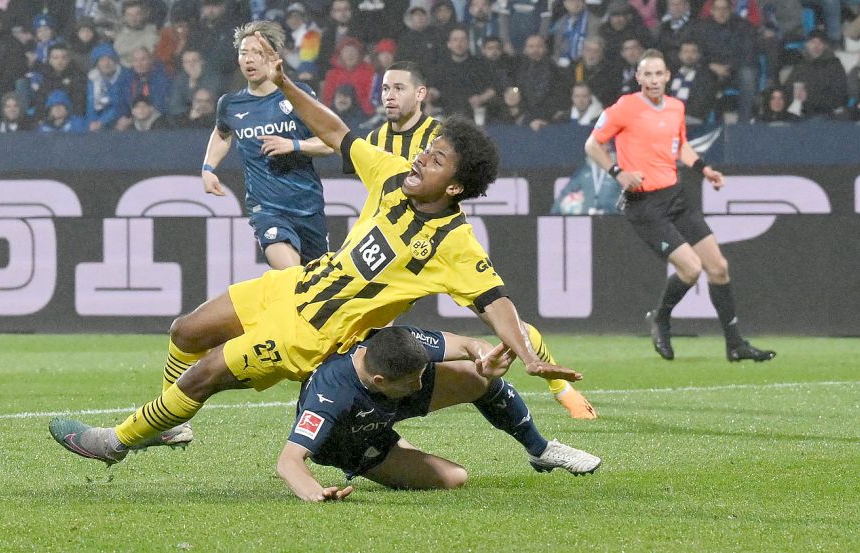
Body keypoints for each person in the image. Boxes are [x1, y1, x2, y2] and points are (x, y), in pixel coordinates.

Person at [48, 28, 591, 466]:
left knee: (206, 372)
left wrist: (527, 356)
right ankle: (171, 426)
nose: (422, 157)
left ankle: (116, 441)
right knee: (186, 330)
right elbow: (336, 132)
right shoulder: (392, 173)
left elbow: (495, 302)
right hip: (294, 286)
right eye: (429, 149)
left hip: (313, 331)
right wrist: (285, 85)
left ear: (453, 187)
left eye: (437, 159)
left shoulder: (454, 243)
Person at [357, 60, 597, 419]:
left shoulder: (443, 139)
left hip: (435, 250)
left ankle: (557, 383)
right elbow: (340, 144)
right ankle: (368, 414)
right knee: (374, 343)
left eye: (398, 88)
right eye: (385, 89)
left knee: (495, 312)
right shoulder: (376, 138)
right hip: (386, 251)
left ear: (420, 94)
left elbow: (461, 188)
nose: (389, 96)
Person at [584, 48, 776, 363]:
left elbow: (680, 147)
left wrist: (704, 169)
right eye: (648, 74)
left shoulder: (675, 108)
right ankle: (660, 317)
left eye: (659, 73)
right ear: (638, 77)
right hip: (644, 204)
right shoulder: (625, 108)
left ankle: (735, 344)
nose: (654, 80)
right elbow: (592, 144)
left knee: (719, 267)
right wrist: (618, 172)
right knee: (691, 268)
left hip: (675, 197)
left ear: (668, 76)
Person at [278, 326, 601, 501]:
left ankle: (540, 450)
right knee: (453, 478)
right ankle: (397, 453)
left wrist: (483, 356)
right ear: (380, 380)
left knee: (476, 377)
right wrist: (315, 493)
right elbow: (289, 461)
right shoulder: (331, 395)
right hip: (352, 440)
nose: (422, 385)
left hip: (390, 400)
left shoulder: (399, 343)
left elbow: (468, 344)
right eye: (413, 380)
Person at [199, 20, 334, 270]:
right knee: (291, 277)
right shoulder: (230, 104)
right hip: (267, 210)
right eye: (243, 53)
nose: (248, 60)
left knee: (316, 288)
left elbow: (330, 143)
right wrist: (208, 168)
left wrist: (294, 145)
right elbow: (222, 133)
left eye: (257, 53)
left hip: (308, 207)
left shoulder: (299, 95)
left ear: (272, 57)